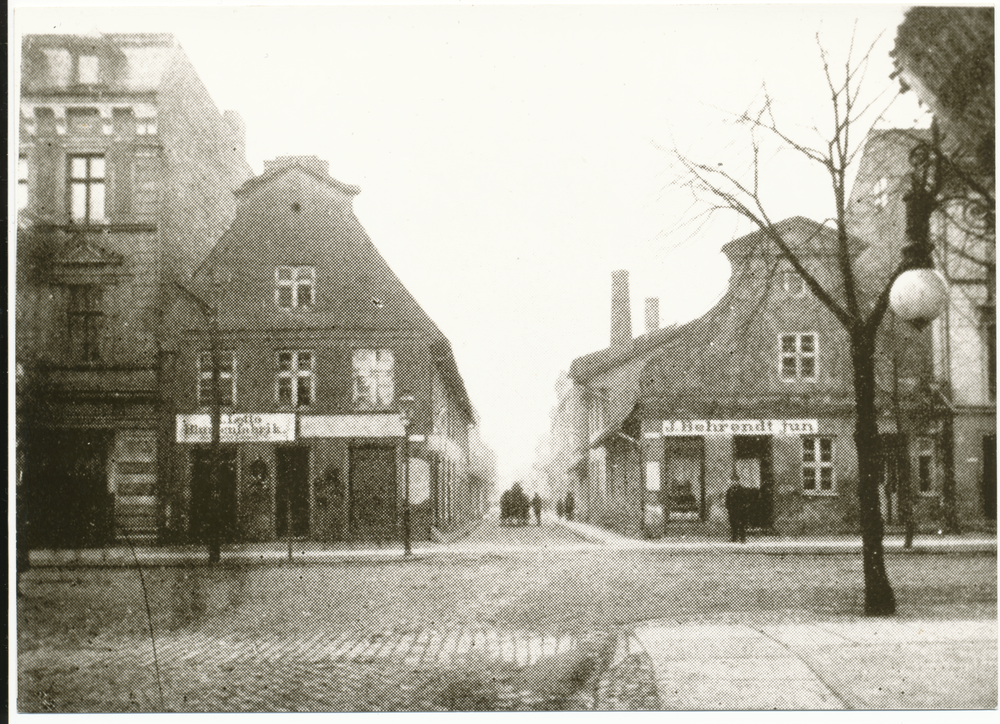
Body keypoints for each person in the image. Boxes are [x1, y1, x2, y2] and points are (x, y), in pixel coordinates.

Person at [725, 474, 747, 543]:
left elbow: (744, 499)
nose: (734, 482)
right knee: (733, 523)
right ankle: (734, 537)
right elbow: (727, 500)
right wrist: (728, 507)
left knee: (741, 523)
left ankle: (742, 538)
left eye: (735, 481)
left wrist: (743, 507)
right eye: (733, 481)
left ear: (738, 481)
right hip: (732, 509)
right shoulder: (730, 490)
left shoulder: (741, 489)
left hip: (740, 509)